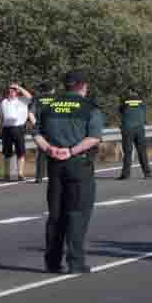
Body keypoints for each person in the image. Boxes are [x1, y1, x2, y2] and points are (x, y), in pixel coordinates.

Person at [34, 71, 103, 274]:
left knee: (55, 214)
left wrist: (50, 149)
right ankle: (75, 261)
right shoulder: (89, 108)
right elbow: (94, 138)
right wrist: (71, 151)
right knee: (77, 213)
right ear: (83, 86)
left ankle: (52, 261)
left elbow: (36, 134)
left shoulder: (49, 107)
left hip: (54, 164)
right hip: (78, 165)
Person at [0, 82, 33, 181]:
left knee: (20, 152)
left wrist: (19, 87)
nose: (11, 92)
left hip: (18, 128)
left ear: (17, 92)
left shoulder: (22, 100)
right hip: (6, 129)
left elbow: (30, 97)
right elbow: (1, 117)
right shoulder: (3, 102)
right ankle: (6, 174)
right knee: (6, 153)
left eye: (13, 90)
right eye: (10, 90)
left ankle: (20, 174)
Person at [117, 90, 152, 179]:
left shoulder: (124, 102)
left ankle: (125, 174)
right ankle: (147, 173)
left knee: (128, 152)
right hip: (140, 129)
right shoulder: (141, 102)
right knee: (142, 152)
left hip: (128, 129)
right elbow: (144, 113)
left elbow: (120, 111)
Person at [31, 85, 56, 184]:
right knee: (55, 150)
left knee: (42, 152)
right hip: (54, 126)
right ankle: (54, 175)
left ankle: (39, 177)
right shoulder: (56, 98)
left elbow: (30, 112)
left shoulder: (37, 98)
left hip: (41, 127)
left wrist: (35, 124)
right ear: (52, 89)